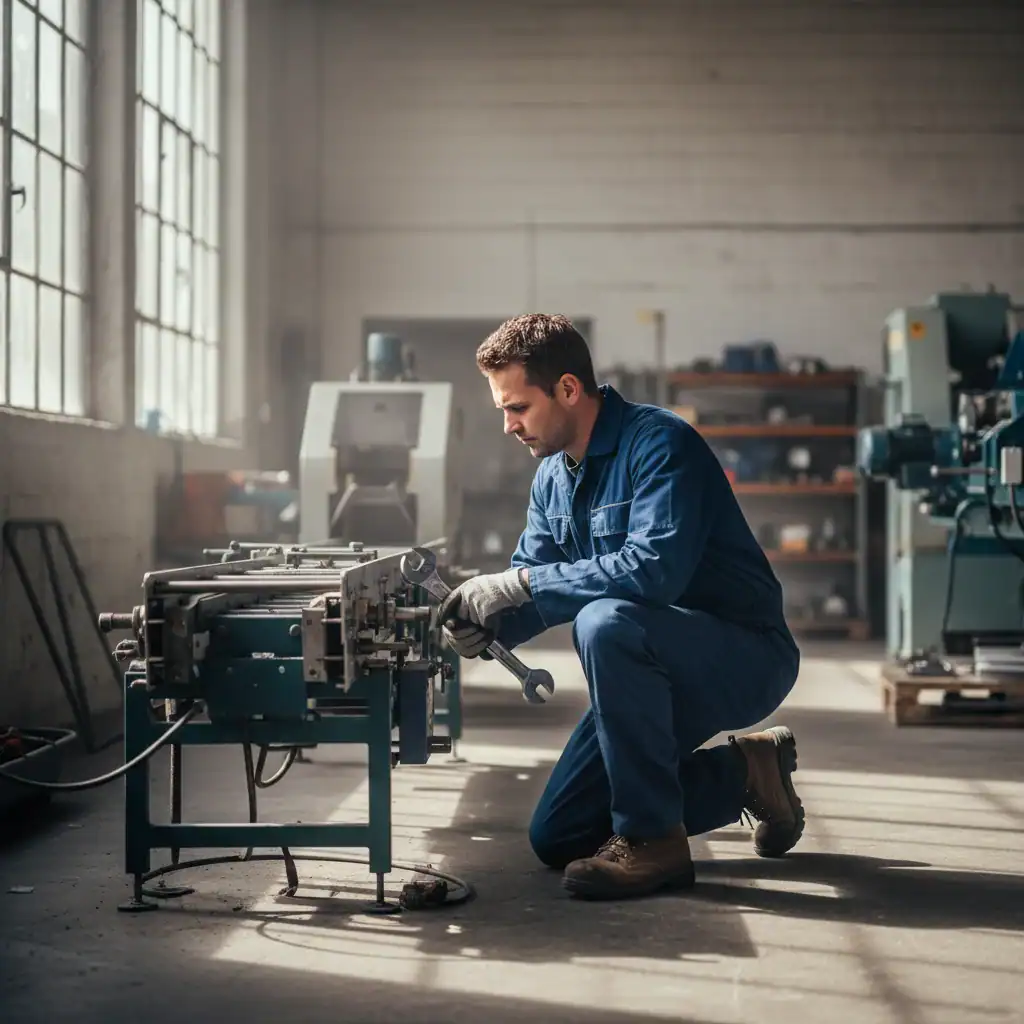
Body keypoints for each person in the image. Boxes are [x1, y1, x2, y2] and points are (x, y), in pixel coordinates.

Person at [437, 313, 804, 901]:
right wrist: (488, 623)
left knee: (603, 620)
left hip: (741, 655)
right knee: (559, 834)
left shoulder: (660, 444)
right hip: (642, 669)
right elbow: (535, 589)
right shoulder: (552, 478)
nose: (508, 426)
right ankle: (747, 774)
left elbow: (652, 571)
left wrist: (519, 585)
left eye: (518, 408)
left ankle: (655, 843)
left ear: (567, 389)